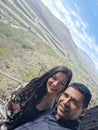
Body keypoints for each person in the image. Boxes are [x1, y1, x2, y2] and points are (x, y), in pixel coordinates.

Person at [0, 66, 72, 130]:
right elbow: (8, 111)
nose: (55, 84)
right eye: (54, 78)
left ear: (64, 88)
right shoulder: (31, 88)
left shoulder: (56, 105)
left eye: (61, 83)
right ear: (49, 76)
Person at [13, 82, 92, 130]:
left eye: (74, 102)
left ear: (83, 112)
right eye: (65, 95)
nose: (65, 102)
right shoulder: (52, 111)